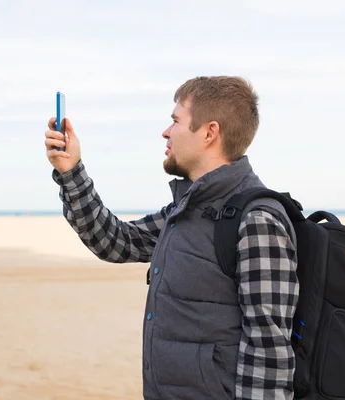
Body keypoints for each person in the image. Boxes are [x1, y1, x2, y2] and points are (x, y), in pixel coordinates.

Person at [45, 76, 299, 400]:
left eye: (176, 121)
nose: (166, 132)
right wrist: (71, 171)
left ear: (209, 132)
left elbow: (269, 357)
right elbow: (115, 241)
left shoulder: (257, 221)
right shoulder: (186, 210)